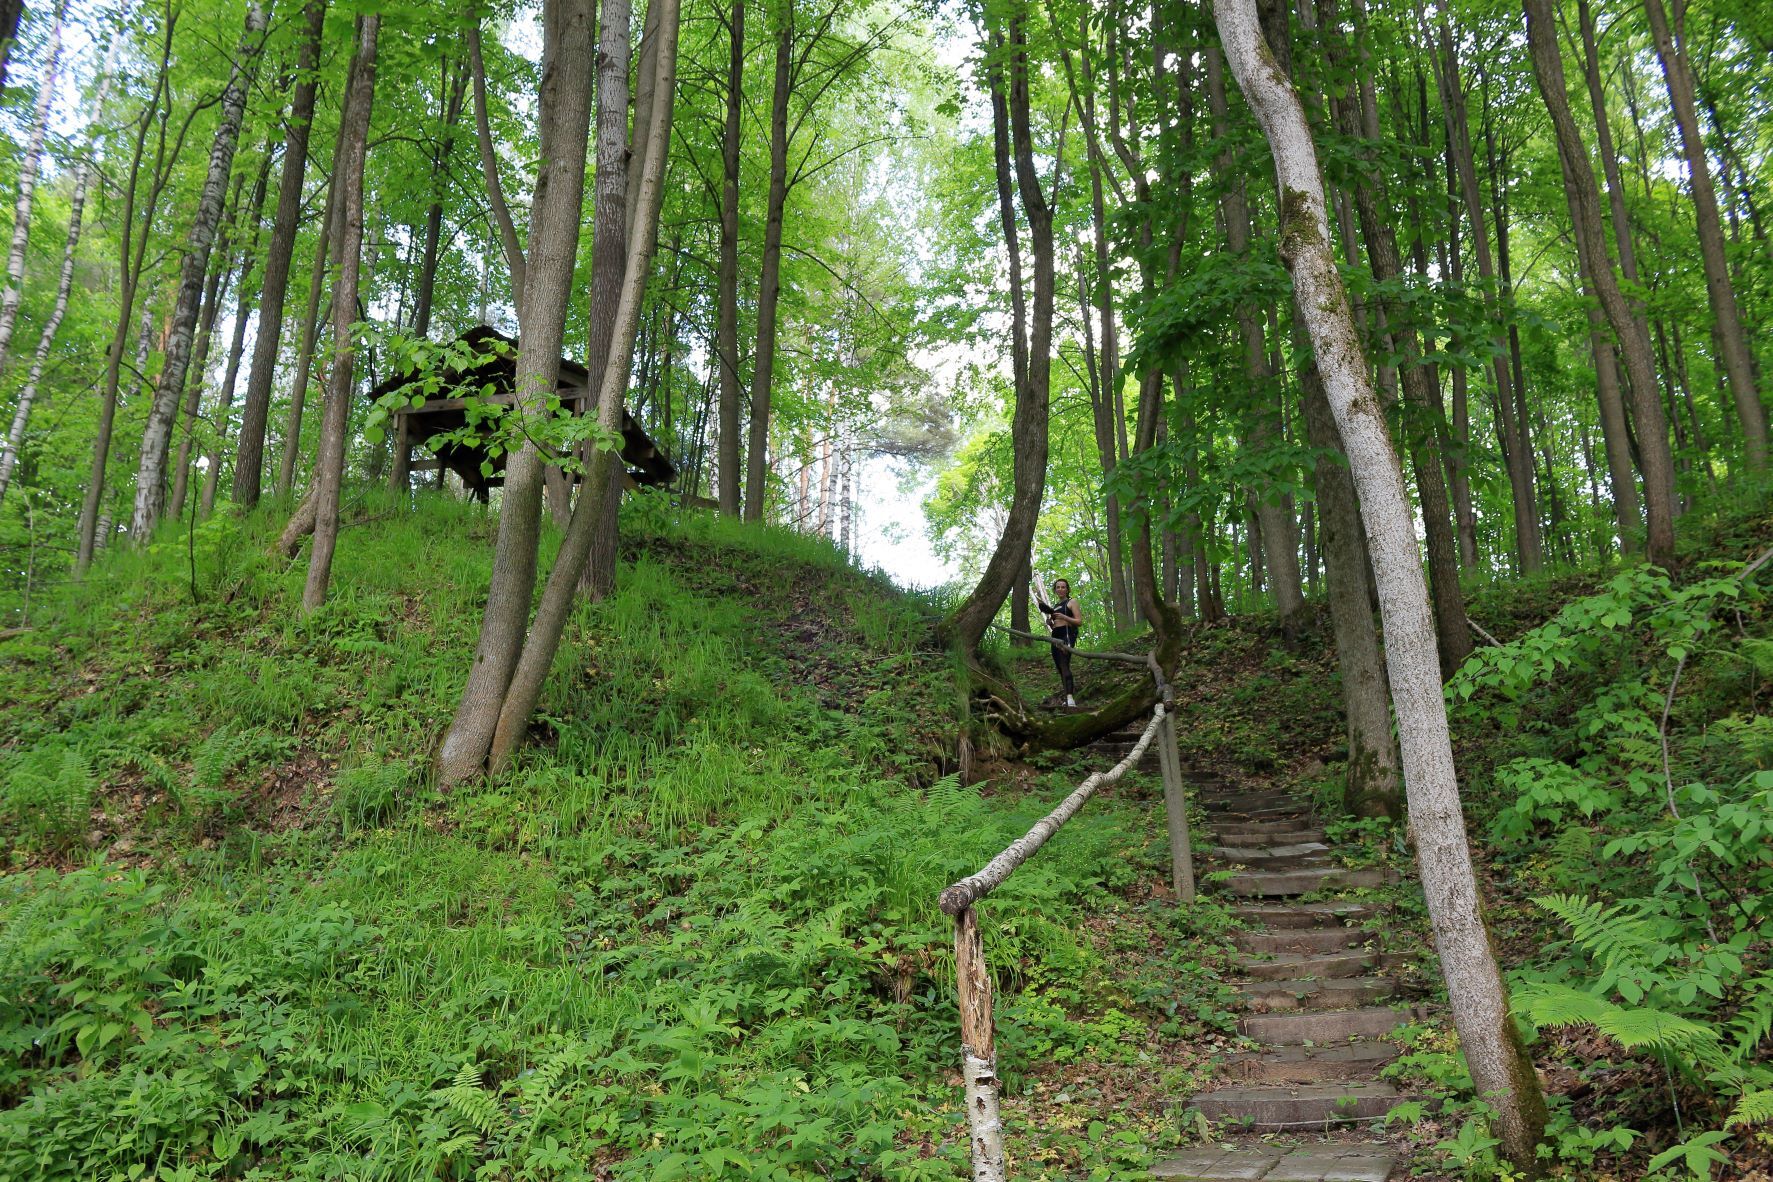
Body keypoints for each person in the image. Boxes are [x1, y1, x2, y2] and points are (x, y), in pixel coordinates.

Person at [1035, 578, 1082, 707]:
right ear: (1055, 590)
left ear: (1067, 589)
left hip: (1067, 635)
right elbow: (1055, 624)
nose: (1060, 589)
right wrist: (1050, 623)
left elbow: (1079, 621)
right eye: (1058, 587)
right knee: (1060, 667)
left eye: (1063, 587)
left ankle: (1071, 699)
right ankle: (1067, 698)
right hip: (1055, 635)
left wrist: (1064, 617)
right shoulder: (1056, 606)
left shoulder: (1072, 602)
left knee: (1064, 664)